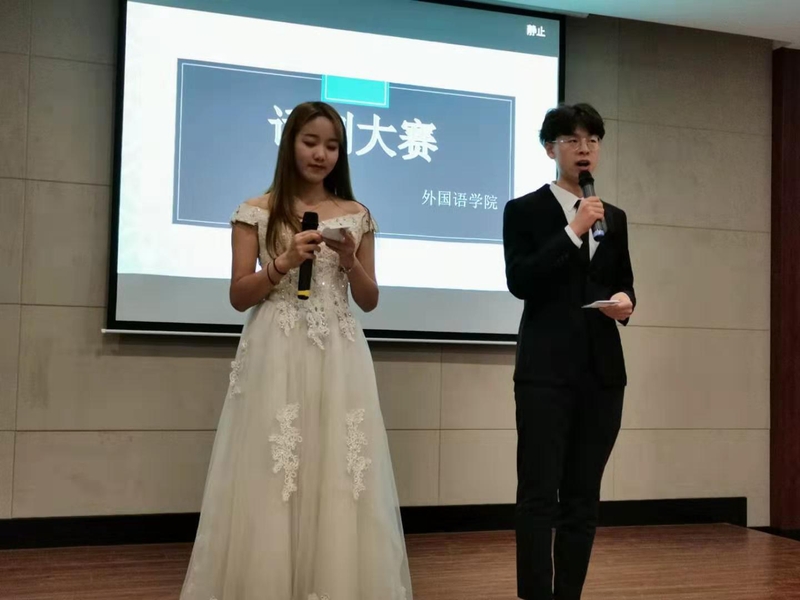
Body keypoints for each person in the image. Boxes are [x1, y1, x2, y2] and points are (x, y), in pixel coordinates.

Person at [180, 101, 412, 600]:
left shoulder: (357, 216)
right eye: (311, 142)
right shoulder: (255, 211)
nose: (321, 154)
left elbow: (370, 301)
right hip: (275, 349)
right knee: (273, 466)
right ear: (290, 143)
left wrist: (350, 261)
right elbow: (239, 295)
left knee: (338, 468)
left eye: (332, 146)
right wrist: (282, 262)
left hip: (339, 355)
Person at [502, 103, 636, 600]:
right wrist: (572, 230)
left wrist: (625, 302)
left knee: (583, 498)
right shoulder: (524, 211)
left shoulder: (614, 217)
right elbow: (521, 281)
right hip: (544, 373)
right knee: (539, 495)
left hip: (602, 375)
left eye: (593, 141)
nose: (585, 149)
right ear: (550, 149)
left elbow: (623, 282)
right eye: (573, 140)